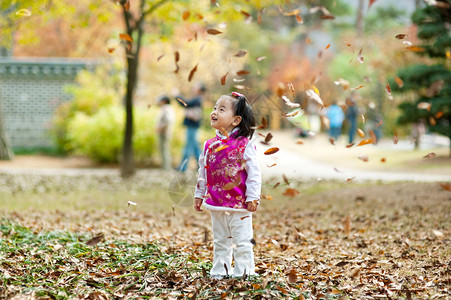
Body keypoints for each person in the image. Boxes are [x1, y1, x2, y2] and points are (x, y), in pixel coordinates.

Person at [194, 92, 261, 279]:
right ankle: (220, 271)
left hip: (240, 205)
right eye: (215, 108)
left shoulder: (244, 145)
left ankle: (244, 273)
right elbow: (203, 171)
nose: (214, 112)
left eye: (221, 109)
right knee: (221, 240)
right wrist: (199, 194)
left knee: (242, 241)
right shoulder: (209, 145)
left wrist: (253, 197)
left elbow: (254, 173)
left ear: (236, 120)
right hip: (216, 202)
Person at [176, 83, 206, 172]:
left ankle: (183, 167)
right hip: (193, 127)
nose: (193, 88)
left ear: (199, 90)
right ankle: (202, 165)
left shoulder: (197, 99)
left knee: (189, 146)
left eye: (195, 87)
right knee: (195, 147)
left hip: (192, 127)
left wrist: (177, 96)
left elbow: (186, 104)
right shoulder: (198, 99)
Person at [156, 95, 175, 170]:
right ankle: (165, 167)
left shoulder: (166, 108)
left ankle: (166, 168)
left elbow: (168, 120)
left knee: (164, 150)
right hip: (165, 132)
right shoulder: (168, 108)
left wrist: (161, 127)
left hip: (164, 132)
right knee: (164, 149)